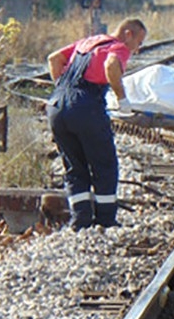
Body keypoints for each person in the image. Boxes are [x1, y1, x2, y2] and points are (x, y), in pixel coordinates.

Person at [46, 18, 147, 230]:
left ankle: (80, 220)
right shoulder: (118, 47)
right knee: (104, 164)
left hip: (56, 107)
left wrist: (63, 91)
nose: (137, 49)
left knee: (74, 166)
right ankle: (106, 220)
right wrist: (122, 99)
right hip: (86, 107)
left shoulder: (88, 42)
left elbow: (54, 59)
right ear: (128, 34)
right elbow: (111, 65)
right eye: (139, 42)